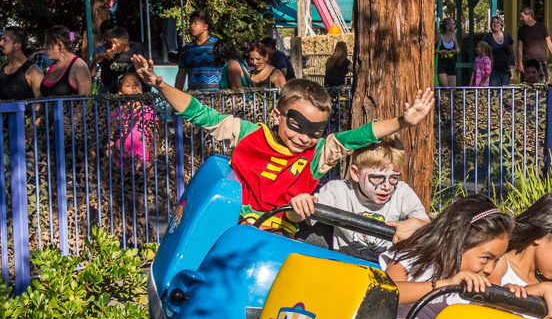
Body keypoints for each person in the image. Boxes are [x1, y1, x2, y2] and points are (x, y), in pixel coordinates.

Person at [132, 53, 435, 235]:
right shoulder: (248, 134)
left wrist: (402, 122)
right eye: (297, 126)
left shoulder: (318, 154)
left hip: (282, 235)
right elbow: (200, 113)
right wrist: (160, 85)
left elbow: (356, 137)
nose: (304, 137)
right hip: (233, 227)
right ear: (277, 115)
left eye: (315, 131)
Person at [382, 195, 515, 319]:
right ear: (457, 240)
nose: (490, 269)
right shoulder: (414, 256)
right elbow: (387, 292)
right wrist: (444, 285)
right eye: (486, 258)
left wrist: (505, 302)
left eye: (496, 260)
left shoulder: (472, 283)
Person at [313, 140, 430, 258]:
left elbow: (427, 227)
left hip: (387, 269)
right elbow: (304, 214)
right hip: (345, 265)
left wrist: (416, 225)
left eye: (394, 178)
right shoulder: (339, 191)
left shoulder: (402, 193)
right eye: (378, 178)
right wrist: (303, 203)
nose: (387, 186)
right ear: (355, 173)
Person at [109, 72, 156, 169]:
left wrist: (151, 163)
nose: (134, 87)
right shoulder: (116, 114)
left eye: (137, 84)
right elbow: (111, 140)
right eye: (128, 85)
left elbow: (154, 140)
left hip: (143, 164)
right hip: (120, 165)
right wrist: (111, 159)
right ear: (120, 92)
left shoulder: (148, 112)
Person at [39, 26, 91, 97]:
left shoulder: (79, 67)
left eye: (47, 43)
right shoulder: (50, 68)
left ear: (60, 45)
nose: (44, 46)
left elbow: (86, 102)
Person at [176, 10, 221, 91]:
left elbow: (228, 68)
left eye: (196, 23)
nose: (192, 26)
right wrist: (176, 94)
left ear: (205, 26)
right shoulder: (187, 49)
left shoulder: (218, 45)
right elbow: (181, 74)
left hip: (215, 97)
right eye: (190, 23)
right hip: (194, 98)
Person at [92, 26, 145, 93]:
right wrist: (105, 61)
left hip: (135, 95)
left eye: (115, 43)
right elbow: (105, 80)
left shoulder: (137, 53)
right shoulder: (110, 56)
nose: (113, 47)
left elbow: (145, 78)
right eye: (112, 44)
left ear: (125, 41)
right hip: (115, 98)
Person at [515, 7, 552, 82]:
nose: (520, 19)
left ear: (529, 16)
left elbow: (549, 44)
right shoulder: (521, 30)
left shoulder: (542, 27)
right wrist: (520, 64)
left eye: (522, 17)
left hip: (541, 60)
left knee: (544, 82)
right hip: (527, 61)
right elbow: (519, 47)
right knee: (526, 84)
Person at [0, 27, 43, 100]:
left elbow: (42, 105)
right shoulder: (2, 70)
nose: (0, 43)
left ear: (17, 46)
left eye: (5, 40)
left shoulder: (33, 72)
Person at [482, 15, 515, 87]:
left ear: (501, 25)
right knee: (495, 92)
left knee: (504, 92)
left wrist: (516, 62)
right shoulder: (487, 37)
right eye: (493, 23)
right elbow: (482, 52)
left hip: (506, 70)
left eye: (497, 23)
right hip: (493, 70)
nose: (495, 24)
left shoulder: (507, 37)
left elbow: (512, 52)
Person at [436, 18, 460, 87]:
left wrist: (455, 51)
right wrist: (440, 52)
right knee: (444, 88)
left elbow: (458, 48)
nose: (454, 26)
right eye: (452, 24)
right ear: (447, 26)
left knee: (452, 90)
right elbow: (430, 50)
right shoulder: (439, 36)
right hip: (441, 65)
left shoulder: (453, 35)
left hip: (451, 65)